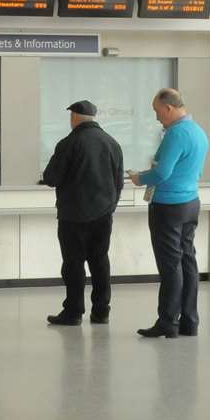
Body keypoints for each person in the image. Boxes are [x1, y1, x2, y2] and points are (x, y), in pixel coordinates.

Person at [130, 88, 210, 339]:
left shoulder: (176, 134)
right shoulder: (198, 131)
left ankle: (167, 322)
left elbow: (162, 173)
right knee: (188, 261)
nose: (156, 117)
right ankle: (189, 321)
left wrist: (140, 178)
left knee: (170, 266)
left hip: (168, 206)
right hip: (190, 202)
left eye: (157, 111)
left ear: (169, 108)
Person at [41, 101, 125, 326]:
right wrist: (110, 206)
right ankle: (101, 311)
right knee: (100, 261)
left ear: (75, 117)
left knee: (73, 263)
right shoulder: (112, 143)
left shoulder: (69, 143)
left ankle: (74, 311)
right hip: (103, 214)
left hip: (73, 215)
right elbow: (119, 182)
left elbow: (51, 178)